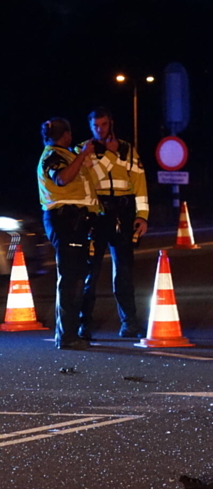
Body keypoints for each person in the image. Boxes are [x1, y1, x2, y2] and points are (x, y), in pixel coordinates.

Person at [78, 108, 149, 339]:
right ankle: (84, 325)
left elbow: (139, 182)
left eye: (104, 125)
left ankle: (130, 323)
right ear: (90, 126)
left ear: (111, 124)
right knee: (90, 272)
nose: (100, 129)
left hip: (124, 213)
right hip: (96, 215)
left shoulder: (127, 149)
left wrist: (142, 216)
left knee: (125, 272)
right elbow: (92, 177)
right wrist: (110, 154)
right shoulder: (83, 150)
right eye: (96, 126)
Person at [37, 118, 100, 350]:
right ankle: (67, 336)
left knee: (76, 277)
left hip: (76, 222)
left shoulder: (67, 154)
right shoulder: (53, 156)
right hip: (65, 221)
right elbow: (62, 179)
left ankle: (72, 333)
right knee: (70, 279)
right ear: (67, 136)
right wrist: (83, 155)